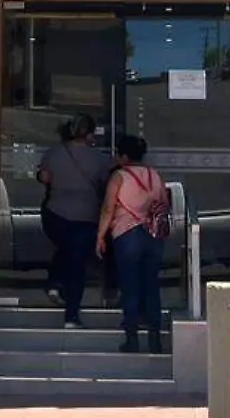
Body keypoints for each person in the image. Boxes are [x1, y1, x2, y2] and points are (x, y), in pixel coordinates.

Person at [34, 113, 109, 328]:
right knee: (76, 265)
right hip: (85, 217)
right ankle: (71, 316)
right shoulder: (99, 159)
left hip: (54, 213)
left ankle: (54, 283)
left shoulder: (54, 153)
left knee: (66, 249)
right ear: (90, 134)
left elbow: (43, 177)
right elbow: (109, 183)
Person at [95, 133, 168, 354]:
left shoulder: (119, 176)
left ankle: (132, 338)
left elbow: (108, 207)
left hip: (126, 235)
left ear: (124, 156)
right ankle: (155, 338)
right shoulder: (154, 175)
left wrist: (100, 235)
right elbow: (164, 203)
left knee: (130, 286)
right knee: (151, 285)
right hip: (153, 235)